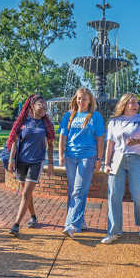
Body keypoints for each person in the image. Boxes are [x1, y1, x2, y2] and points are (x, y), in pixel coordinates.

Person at [102, 93, 140, 244]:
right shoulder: (113, 122)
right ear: (124, 104)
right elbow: (110, 145)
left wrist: (137, 140)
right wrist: (106, 164)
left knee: (139, 195)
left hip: (136, 159)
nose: (136, 105)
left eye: (137, 102)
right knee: (114, 195)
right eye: (133, 102)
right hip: (117, 159)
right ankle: (113, 232)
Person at [7, 94, 56, 236]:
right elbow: (14, 142)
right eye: (41, 104)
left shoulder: (47, 124)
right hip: (21, 161)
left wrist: (51, 163)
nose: (44, 107)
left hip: (37, 161)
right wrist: (11, 160)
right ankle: (33, 217)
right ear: (32, 106)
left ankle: (16, 225)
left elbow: (51, 145)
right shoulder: (23, 122)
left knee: (27, 193)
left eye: (45, 104)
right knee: (26, 194)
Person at [59, 87, 104, 238]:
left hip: (88, 156)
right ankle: (81, 221)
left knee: (79, 190)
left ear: (90, 100)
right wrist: (60, 155)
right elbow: (63, 137)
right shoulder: (69, 115)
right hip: (70, 156)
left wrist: (99, 159)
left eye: (84, 99)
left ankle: (71, 224)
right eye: (79, 98)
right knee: (73, 190)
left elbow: (100, 139)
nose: (81, 101)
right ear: (75, 99)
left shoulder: (95, 117)